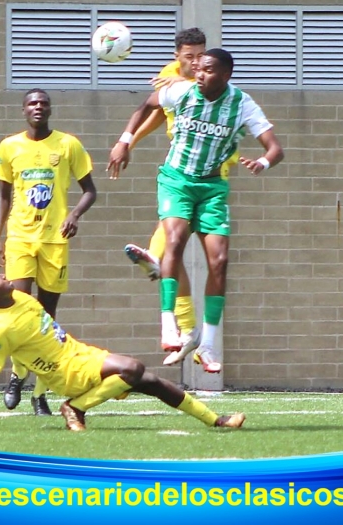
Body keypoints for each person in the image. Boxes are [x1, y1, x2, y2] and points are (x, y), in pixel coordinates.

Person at [108, 49, 284, 375]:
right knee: (174, 239)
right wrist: (124, 140)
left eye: (208, 70)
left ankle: (207, 345)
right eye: (198, 69)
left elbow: (275, 148)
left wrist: (262, 162)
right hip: (176, 180)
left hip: (212, 188)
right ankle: (168, 326)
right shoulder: (181, 91)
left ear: (226, 75)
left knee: (219, 261)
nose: (200, 75)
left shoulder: (242, 104)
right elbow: (148, 104)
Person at [0, 269, 246, 432]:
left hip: (80, 354)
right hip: (66, 372)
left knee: (151, 381)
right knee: (133, 368)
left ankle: (216, 420)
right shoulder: (2, 327)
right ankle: (75, 406)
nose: (2, 274)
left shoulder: (16, 299)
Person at [0, 88, 97, 416]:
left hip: (54, 242)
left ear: (50, 110)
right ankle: (17, 375)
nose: (39, 107)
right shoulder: (10, 146)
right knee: (21, 311)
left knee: (47, 317)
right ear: (24, 110)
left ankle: (40, 391)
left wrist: (74, 214)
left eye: (44, 103)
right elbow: (4, 196)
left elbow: (90, 190)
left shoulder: (68, 145)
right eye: (33, 103)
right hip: (20, 238)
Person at [122, 28, 212, 368]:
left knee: (174, 245)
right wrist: (129, 142)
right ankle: (189, 329)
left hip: (210, 170)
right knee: (174, 246)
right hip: (181, 167)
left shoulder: (207, 79)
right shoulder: (168, 78)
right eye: (189, 56)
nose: (195, 62)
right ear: (177, 56)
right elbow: (158, 112)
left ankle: (154, 258)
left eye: (200, 55)